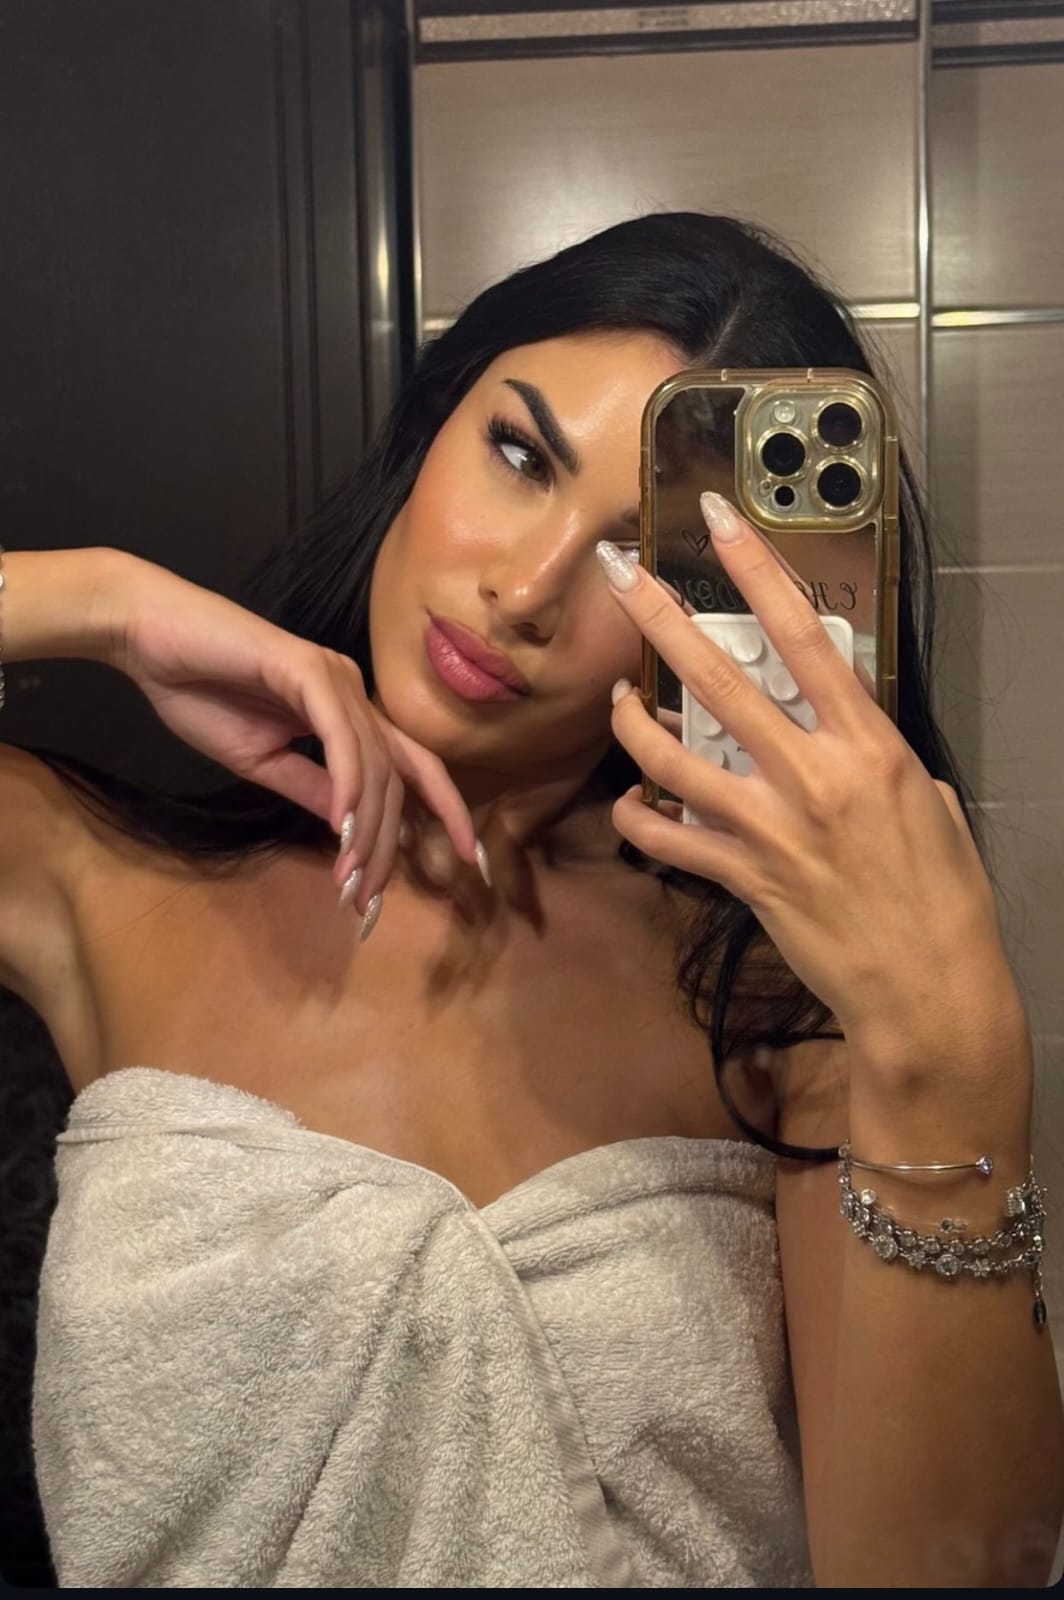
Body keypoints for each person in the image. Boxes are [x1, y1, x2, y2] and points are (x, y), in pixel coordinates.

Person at [2, 212, 1061, 1589]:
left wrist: (954, 1060)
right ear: (430, 425)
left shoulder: (771, 1002)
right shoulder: (101, 879)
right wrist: (105, 605)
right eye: (520, 456)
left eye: (639, 556)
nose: (525, 590)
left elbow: (953, 1574)